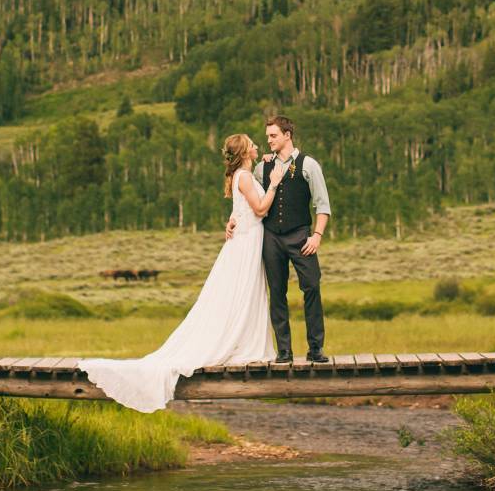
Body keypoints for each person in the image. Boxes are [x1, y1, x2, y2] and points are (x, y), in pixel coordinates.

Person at [78, 133, 282, 412]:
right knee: (241, 292)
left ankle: (240, 340)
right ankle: (238, 343)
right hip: (247, 243)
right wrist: (273, 185)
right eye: (253, 143)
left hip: (245, 239)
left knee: (241, 294)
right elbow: (259, 209)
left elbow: (243, 209)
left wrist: (235, 217)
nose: (258, 145)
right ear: (245, 150)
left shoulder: (242, 175)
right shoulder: (244, 177)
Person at [226, 114, 330, 363]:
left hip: (301, 236)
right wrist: (233, 218)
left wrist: (317, 235)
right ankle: (284, 350)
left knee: (312, 286)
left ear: (287, 135)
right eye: (267, 136)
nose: (269, 140)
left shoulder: (309, 165)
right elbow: (251, 200)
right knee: (277, 291)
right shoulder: (262, 167)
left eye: (273, 136)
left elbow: (322, 205)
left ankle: (315, 348)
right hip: (271, 237)